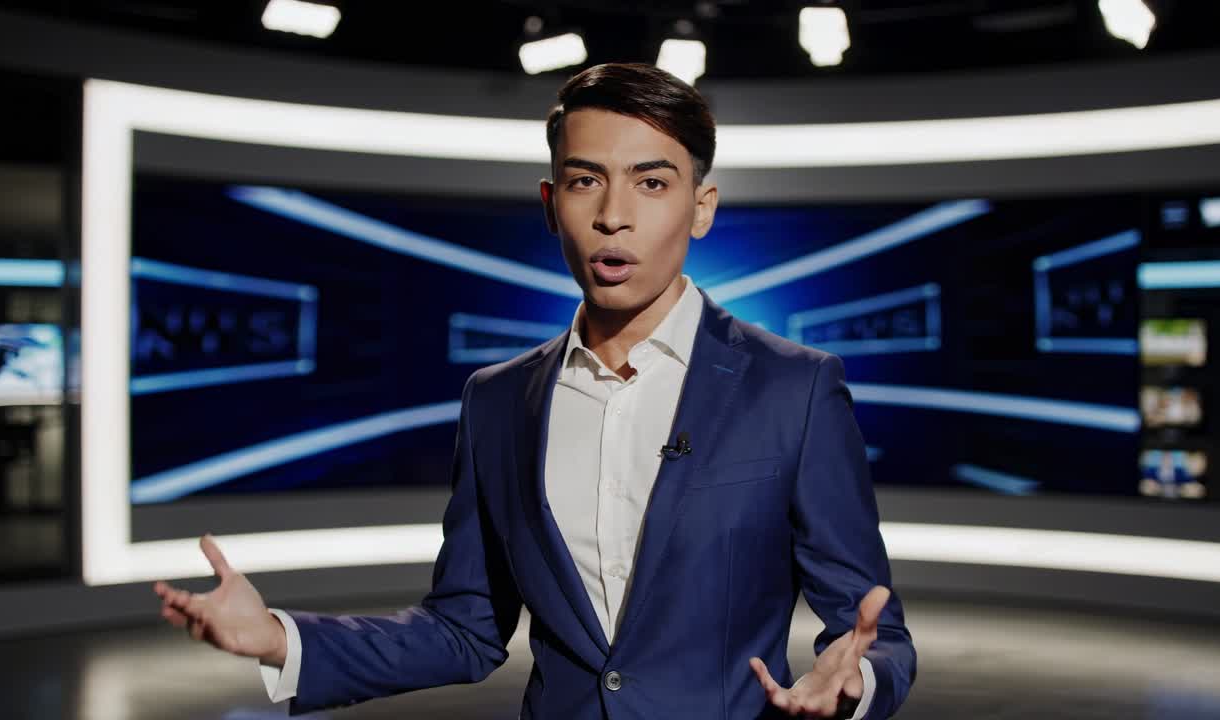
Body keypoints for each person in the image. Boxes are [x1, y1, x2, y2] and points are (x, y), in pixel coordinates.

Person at [155, 62, 916, 719]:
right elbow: (466, 629)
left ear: (702, 206)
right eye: (587, 181)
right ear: (552, 204)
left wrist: (853, 687)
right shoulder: (496, 403)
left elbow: (876, 635)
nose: (614, 216)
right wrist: (279, 638)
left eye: (652, 182)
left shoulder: (795, 389)